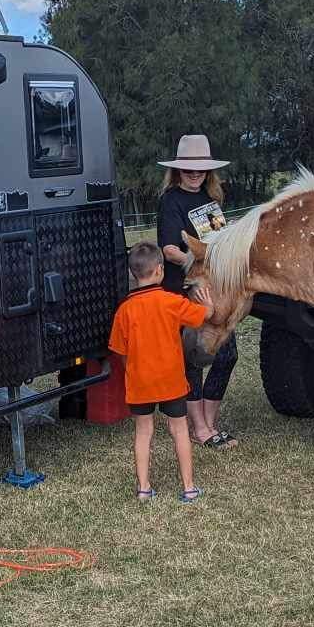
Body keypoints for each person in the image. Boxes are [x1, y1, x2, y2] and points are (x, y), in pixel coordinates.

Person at [108, 242, 210, 503]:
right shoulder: (172, 302)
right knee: (180, 430)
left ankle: (144, 488)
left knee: (143, 432)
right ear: (159, 270)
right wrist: (208, 306)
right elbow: (201, 317)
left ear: (134, 273)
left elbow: (119, 350)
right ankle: (188, 488)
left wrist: (132, 370)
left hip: (140, 383)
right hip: (171, 382)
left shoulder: (124, 311)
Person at [155, 133, 238, 449]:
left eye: (200, 167)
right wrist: (196, 260)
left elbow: (219, 243)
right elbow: (169, 249)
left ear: (208, 170)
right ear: (178, 170)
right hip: (182, 291)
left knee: (226, 353)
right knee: (194, 357)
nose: (194, 172)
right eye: (189, 167)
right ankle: (201, 428)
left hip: (211, 290)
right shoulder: (171, 200)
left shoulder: (211, 200)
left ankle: (208, 422)